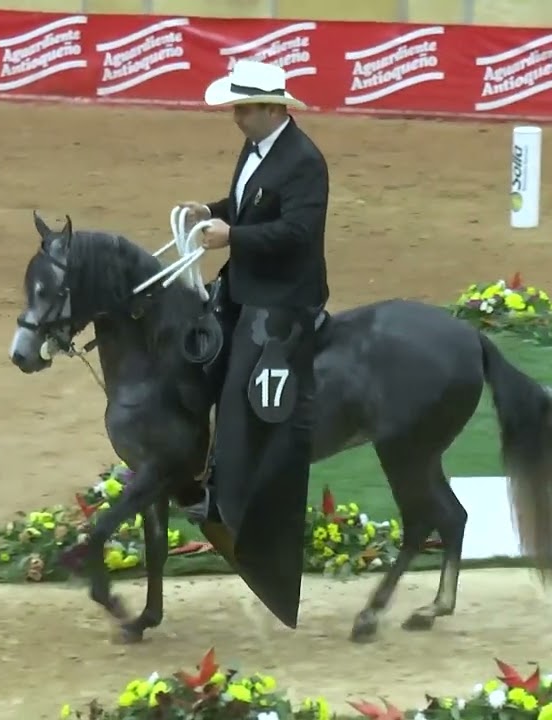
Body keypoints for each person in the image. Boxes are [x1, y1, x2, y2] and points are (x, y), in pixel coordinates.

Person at [178, 59, 330, 628]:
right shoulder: (260, 148)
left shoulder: (305, 161)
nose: (236, 116)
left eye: (243, 108)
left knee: (243, 383)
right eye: (236, 108)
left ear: (273, 107)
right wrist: (212, 212)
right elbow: (249, 201)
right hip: (244, 283)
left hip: (285, 297)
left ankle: (227, 498)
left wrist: (231, 235)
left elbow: (296, 232)